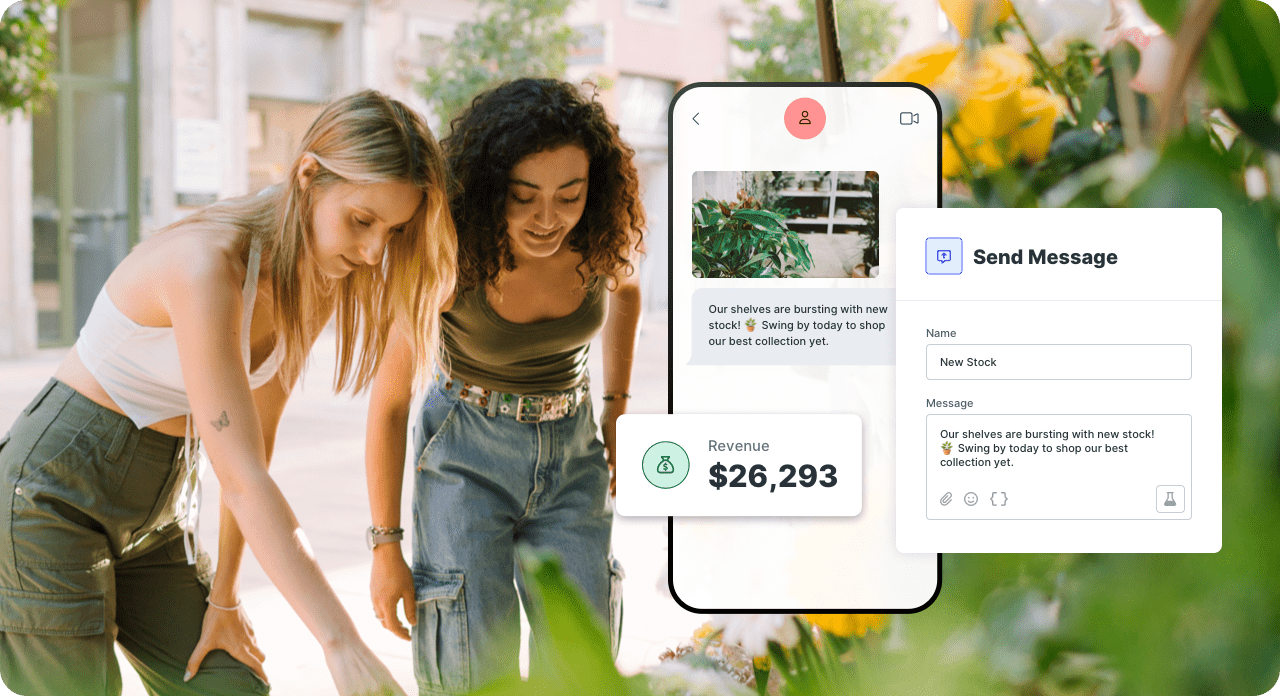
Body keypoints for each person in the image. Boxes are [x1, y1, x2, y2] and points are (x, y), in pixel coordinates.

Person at [0, 90, 455, 696]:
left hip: (158, 514)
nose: (375, 252)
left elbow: (256, 447)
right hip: (52, 496)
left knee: (228, 687)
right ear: (308, 176)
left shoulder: (318, 270)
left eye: (394, 231)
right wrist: (341, 645)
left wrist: (225, 598)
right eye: (362, 220)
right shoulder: (204, 266)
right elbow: (240, 475)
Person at [364, 78, 645, 695]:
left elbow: (626, 290)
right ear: (492, 189)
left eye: (570, 195)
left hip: (573, 456)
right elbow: (387, 405)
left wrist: (616, 409)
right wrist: (386, 548)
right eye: (524, 197)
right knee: (473, 670)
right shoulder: (449, 255)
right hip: (466, 452)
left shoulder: (596, 238)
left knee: (581, 666)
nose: (549, 219)